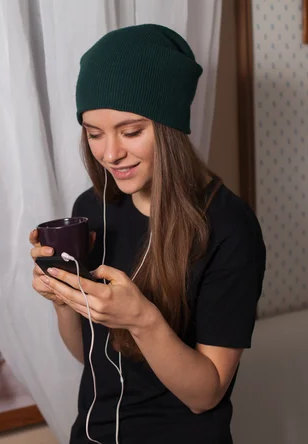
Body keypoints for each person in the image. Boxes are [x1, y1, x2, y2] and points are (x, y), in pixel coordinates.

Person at [29, 24, 266, 444]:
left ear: (171, 126)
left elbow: (205, 395)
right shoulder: (91, 209)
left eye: (131, 131)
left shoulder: (229, 227)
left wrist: (141, 319)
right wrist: (62, 299)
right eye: (93, 132)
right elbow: (89, 356)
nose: (110, 153)